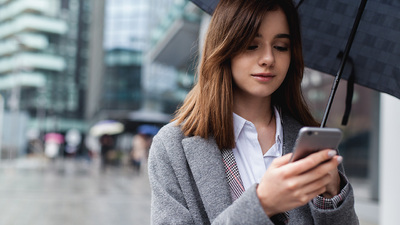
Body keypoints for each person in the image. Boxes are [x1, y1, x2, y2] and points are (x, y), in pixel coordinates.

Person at [148, 0, 359, 224]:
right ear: (224, 48)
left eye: (280, 47)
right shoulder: (171, 147)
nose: (268, 59)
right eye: (251, 45)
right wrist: (263, 203)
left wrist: (332, 196)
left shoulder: (314, 143)